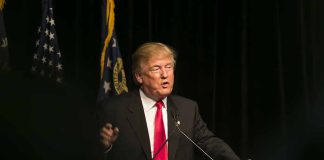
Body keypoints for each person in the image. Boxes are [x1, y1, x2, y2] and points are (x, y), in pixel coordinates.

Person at [97, 42, 240, 160]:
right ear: (139, 76)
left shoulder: (187, 109)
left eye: (169, 67)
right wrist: (105, 146)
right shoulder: (115, 109)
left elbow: (209, 143)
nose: (165, 75)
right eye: (156, 68)